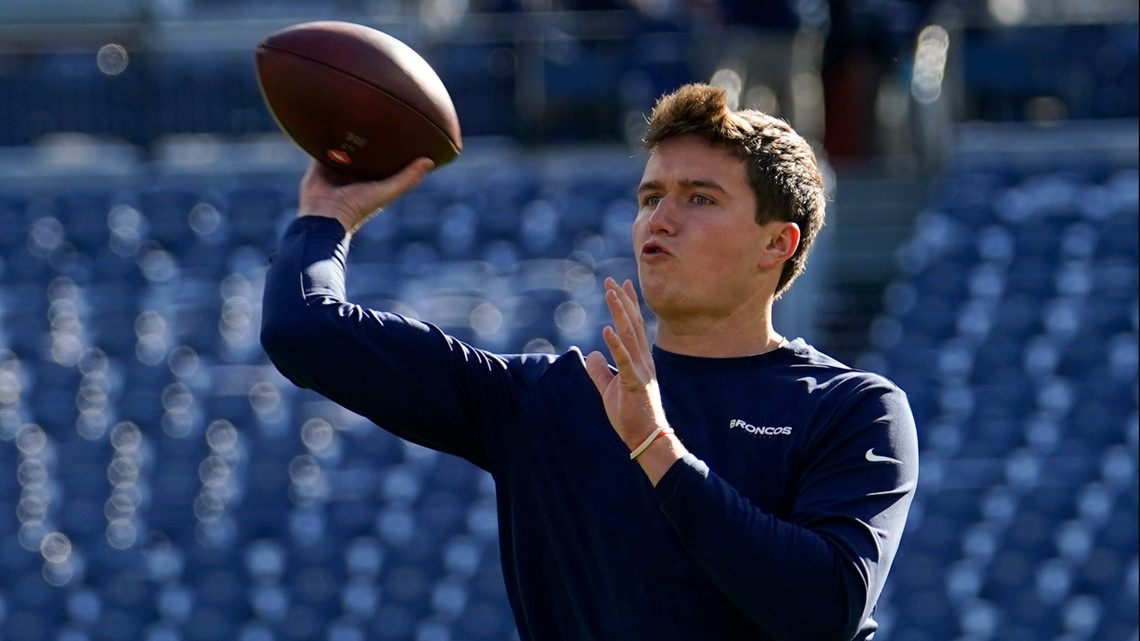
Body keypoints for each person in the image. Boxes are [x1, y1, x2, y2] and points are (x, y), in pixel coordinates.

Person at [261, 83, 918, 640]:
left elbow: (825, 605)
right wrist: (324, 219)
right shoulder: (547, 397)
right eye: (649, 196)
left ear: (778, 241)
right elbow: (303, 330)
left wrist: (656, 446)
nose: (659, 218)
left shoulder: (854, 407)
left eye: (699, 197)